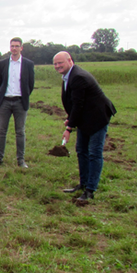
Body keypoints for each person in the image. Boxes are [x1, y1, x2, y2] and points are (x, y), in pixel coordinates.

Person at [53, 51, 116, 203]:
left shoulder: (78, 77)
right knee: (81, 150)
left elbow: (79, 105)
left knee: (94, 153)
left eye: (60, 63)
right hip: (85, 118)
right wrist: (71, 119)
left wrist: (69, 128)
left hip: (97, 117)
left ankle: (90, 190)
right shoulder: (68, 76)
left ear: (70, 60)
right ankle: (83, 184)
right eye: (55, 64)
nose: (57, 66)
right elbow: (75, 104)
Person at [0, 37, 35, 168]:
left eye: (17, 46)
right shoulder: (3, 63)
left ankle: (21, 160)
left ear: (21, 48)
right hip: (5, 102)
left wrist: (23, 96)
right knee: (2, 131)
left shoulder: (28, 64)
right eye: (12, 46)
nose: (14, 48)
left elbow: (30, 84)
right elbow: (0, 83)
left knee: (20, 132)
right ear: (10, 48)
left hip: (20, 102)